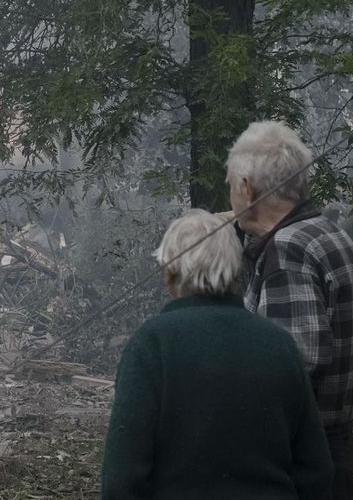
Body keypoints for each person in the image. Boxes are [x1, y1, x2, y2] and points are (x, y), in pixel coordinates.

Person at [101, 209, 333, 500]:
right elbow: (316, 470)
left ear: (169, 274)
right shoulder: (279, 344)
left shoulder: (151, 345)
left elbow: (122, 477)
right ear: (236, 271)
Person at [226, 121, 353, 500]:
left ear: (246, 187)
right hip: (331, 451)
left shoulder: (287, 250)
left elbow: (293, 366)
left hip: (298, 464)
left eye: (230, 186)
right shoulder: (326, 232)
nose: (230, 198)